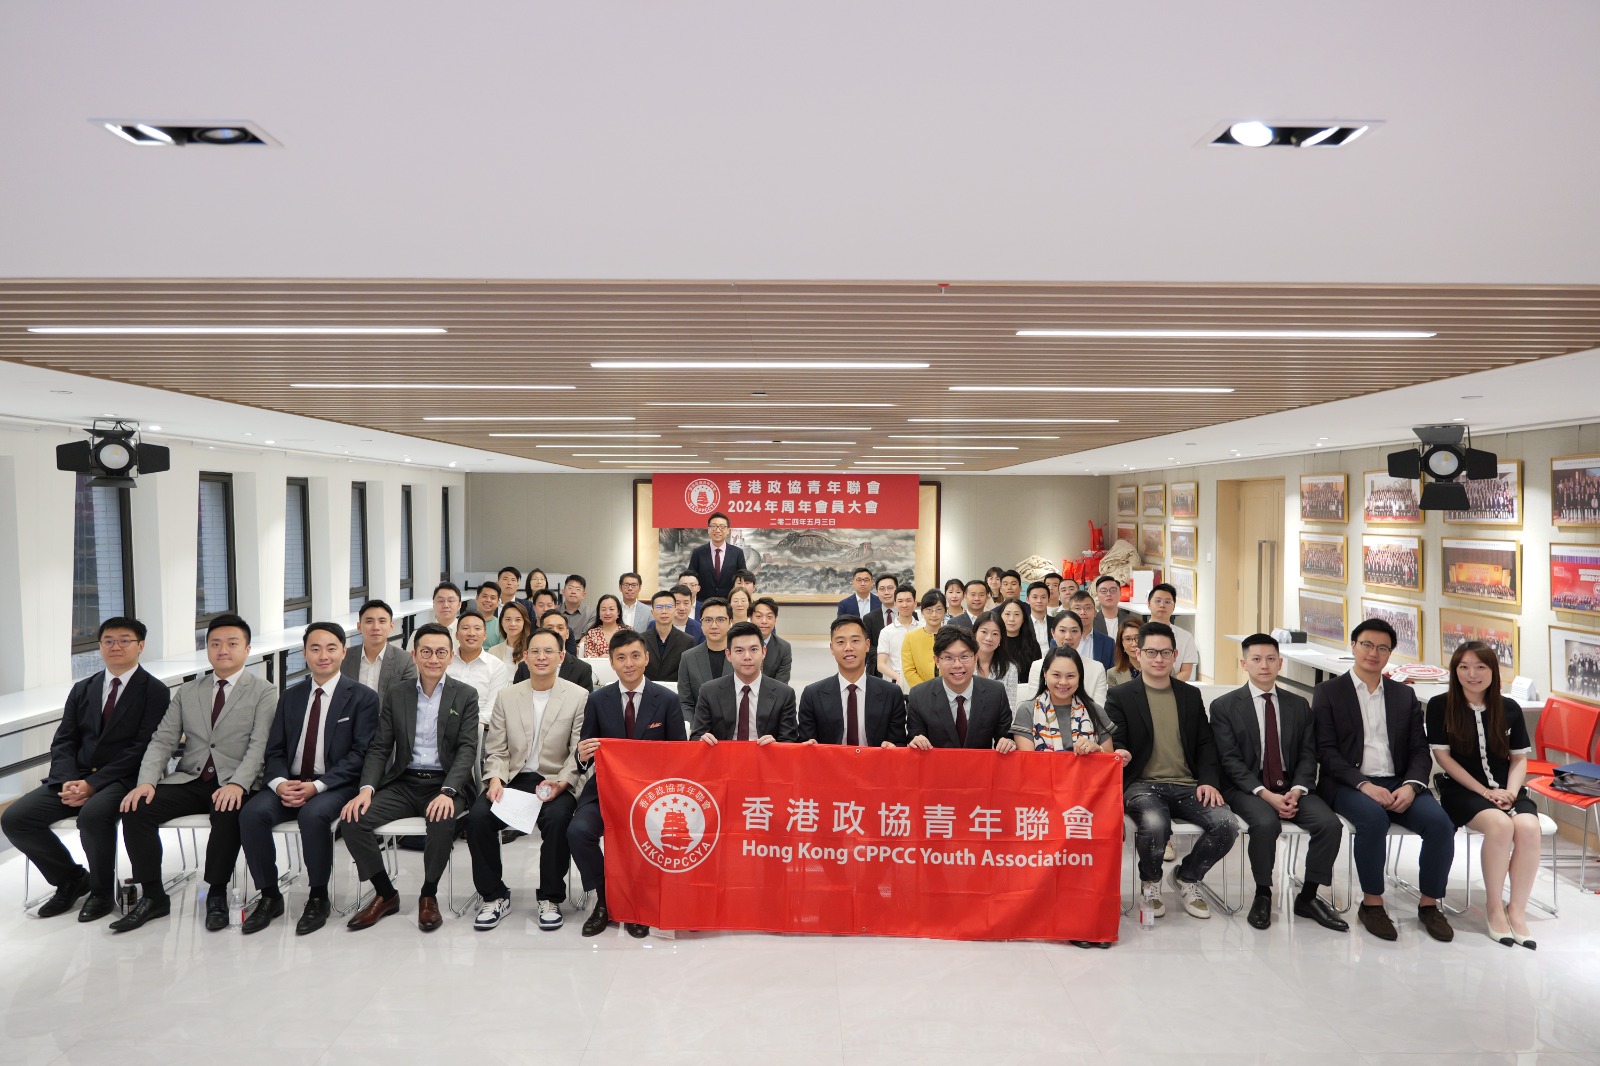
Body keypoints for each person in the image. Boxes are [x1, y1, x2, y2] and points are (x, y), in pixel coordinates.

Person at [111, 614, 277, 932]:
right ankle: (154, 896)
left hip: (236, 780)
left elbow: (260, 746)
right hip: (192, 778)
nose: (223, 650)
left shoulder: (264, 691)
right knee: (136, 808)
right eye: (215, 644)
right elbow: (163, 740)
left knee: (228, 810)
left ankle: (215, 893)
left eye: (232, 643)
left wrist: (238, 784)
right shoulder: (188, 692)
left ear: (247, 649)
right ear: (207, 649)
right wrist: (146, 782)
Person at [3, 617, 169, 921]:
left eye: (124, 640)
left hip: (123, 779)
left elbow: (143, 747)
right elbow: (64, 740)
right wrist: (68, 780)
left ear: (140, 646)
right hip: (76, 777)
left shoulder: (154, 691)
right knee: (16, 819)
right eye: (108, 641)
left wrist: (93, 784)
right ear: (100, 646)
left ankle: (101, 892)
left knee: (93, 816)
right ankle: (71, 879)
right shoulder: (84, 688)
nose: (115, 646)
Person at [1314, 618, 1456, 943]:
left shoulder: (1403, 695)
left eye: (1382, 648)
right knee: (1374, 819)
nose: (1373, 653)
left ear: (1390, 653)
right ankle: (1372, 904)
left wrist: (1412, 785)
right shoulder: (1328, 692)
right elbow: (1326, 751)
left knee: (1440, 824)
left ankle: (1430, 905)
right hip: (1349, 783)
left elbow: (1419, 750)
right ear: (1353, 646)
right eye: (1366, 645)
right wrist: (1364, 785)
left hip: (1398, 782)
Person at [238, 622, 381, 935]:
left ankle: (318, 896)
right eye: (315, 649)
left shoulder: (363, 698)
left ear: (344, 652)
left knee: (313, 816)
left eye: (331, 648)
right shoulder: (291, 696)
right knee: (251, 814)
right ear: (304, 653)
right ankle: (270, 896)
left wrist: (316, 787)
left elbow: (361, 754)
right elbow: (275, 750)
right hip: (290, 782)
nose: (323, 655)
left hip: (334, 784)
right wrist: (279, 784)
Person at [340, 623, 479, 933]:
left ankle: (428, 895)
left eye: (441, 652)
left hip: (444, 783)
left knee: (441, 819)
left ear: (451, 656)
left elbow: (467, 749)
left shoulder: (465, 695)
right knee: (353, 819)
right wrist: (366, 789)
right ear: (414, 655)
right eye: (426, 652)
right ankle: (385, 893)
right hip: (404, 781)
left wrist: (448, 791)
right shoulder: (398, 694)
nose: (433, 659)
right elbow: (380, 747)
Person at [1210, 634, 1348, 933]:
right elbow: (1230, 760)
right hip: (1248, 787)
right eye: (1257, 659)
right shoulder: (1224, 707)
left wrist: (1297, 790)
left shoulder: (1298, 705)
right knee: (1265, 823)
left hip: (1291, 785)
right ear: (1244, 664)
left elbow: (1309, 754)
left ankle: (1308, 897)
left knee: (1329, 825)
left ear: (1280, 663)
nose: (1264, 665)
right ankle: (1263, 893)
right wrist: (1266, 795)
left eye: (1271, 659)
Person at [1105, 622, 1238, 921]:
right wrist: (1120, 753)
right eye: (1151, 652)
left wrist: (1208, 781)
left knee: (1227, 824)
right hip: (1142, 784)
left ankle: (1186, 877)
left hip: (1188, 784)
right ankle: (1150, 883)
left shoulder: (1189, 695)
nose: (1159, 659)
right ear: (1138, 653)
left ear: (1176, 655)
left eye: (1166, 652)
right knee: (1154, 824)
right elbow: (1117, 740)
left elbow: (1205, 742)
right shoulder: (1121, 696)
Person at [569, 629, 686, 937]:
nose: (629, 663)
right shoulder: (598, 700)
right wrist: (582, 755)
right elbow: (585, 754)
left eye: (635, 656)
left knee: (644, 834)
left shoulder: (668, 700)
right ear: (611, 663)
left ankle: (636, 902)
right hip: (606, 790)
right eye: (621, 658)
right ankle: (606, 899)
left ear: (646, 658)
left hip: (652, 795)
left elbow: (680, 756)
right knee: (578, 832)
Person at [470, 627, 587, 932]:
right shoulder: (507, 696)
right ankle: (494, 895)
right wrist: (495, 779)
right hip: (513, 778)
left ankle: (550, 897)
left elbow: (577, 751)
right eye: (535, 651)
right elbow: (496, 749)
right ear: (525, 656)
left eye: (549, 651)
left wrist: (563, 783)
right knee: (478, 818)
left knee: (558, 820)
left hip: (554, 779)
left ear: (561, 656)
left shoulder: (578, 696)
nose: (541, 657)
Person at [1427, 641, 1540, 948]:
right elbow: (1443, 758)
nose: (1472, 674)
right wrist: (1486, 792)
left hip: (1507, 789)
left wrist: (1511, 793)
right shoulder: (1440, 705)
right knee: (1500, 825)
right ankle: (1494, 909)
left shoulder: (1510, 708)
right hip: (1462, 790)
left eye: (1480, 667)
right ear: (1455, 671)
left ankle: (1517, 911)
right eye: (1464, 667)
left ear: (1493, 671)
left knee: (1529, 828)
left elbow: (1519, 759)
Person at [797, 616, 909, 747]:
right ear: (832, 648)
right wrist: (808, 745)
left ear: (867, 645)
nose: (848, 647)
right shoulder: (813, 695)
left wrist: (893, 747)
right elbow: (805, 741)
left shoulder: (891, 693)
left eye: (855, 640)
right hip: (830, 760)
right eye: (840, 642)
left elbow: (899, 742)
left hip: (876, 760)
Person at [907, 628, 1017, 752]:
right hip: (937, 764)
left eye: (964, 657)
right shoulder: (919, 696)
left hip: (979, 764)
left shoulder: (995, 693)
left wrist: (1008, 743)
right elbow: (913, 738)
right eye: (948, 657)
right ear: (937, 661)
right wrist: (916, 742)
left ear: (975, 658)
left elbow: (1005, 736)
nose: (957, 665)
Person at [692, 621, 798, 743]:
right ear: (728, 655)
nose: (747, 656)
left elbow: (790, 741)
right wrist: (701, 740)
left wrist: (776, 746)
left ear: (763, 652)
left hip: (765, 754)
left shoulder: (784, 694)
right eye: (739, 651)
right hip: (724, 755)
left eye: (753, 649)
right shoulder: (709, 691)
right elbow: (696, 737)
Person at [1012, 646, 1114, 756]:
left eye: (1070, 676)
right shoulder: (1027, 711)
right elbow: (1028, 760)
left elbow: (1110, 758)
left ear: (1079, 677)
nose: (1063, 682)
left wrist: (1097, 749)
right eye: (1056, 675)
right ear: (1045, 674)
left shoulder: (1095, 711)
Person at [446, 610, 510, 724]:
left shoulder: (497, 667)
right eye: (465, 628)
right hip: (443, 726)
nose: (471, 633)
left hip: (481, 728)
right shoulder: (445, 663)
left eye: (477, 628)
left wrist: (467, 726)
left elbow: (493, 708)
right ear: (456, 635)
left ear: (485, 635)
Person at [343, 599, 419, 694]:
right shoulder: (344, 658)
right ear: (359, 627)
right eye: (369, 621)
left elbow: (407, 697)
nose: (376, 627)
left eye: (382, 621)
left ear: (391, 626)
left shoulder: (405, 660)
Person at [677, 597, 731, 727]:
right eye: (708, 620)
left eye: (720, 619)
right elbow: (685, 702)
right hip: (700, 729)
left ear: (730, 622)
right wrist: (693, 729)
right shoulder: (688, 658)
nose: (714, 625)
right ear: (701, 623)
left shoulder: (743, 656)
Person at [1045, 611, 1108, 705]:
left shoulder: (1097, 668)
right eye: (1062, 630)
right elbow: (1036, 705)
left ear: (1081, 634)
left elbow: (1099, 708)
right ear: (1053, 633)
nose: (1068, 637)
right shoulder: (1038, 666)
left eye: (1074, 631)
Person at [528, 611, 595, 692]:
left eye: (560, 628)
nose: (555, 632)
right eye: (549, 628)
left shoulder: (582, 669)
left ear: (567, 633)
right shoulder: (525, 666)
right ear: (540, 632)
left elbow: (584, 699)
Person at [687, 512, 746, 604]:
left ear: (728, 530)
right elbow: (691, 577)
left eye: (722, 527)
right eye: (714, 526)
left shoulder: (737, 553)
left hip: (728, 603)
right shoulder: (698, 552)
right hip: (703, 602)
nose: (718, 530)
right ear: (708, 530)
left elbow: (742, 578)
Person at [1147, 584, 1197, 682]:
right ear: (1148, 604)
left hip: (1173, 687)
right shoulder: (1137, 634)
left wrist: (1165, 685)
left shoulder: (1186, 637)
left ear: (1174, 607)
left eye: (1167, 602)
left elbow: (1186, 672)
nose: (1162, 605)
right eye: (1158, 601)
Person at [643, 589, 696, 682]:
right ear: (652, 612)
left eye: (669, 607)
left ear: (675, 611)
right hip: (647, 688)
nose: (664, 611)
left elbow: (690, 673)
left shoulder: (688, 641)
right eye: (659, 607)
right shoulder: (641, 639)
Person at [876, 585, 918, 692]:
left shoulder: (923, 627)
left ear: (915, 603)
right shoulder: (886, 632)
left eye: (908, 600)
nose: (904, 605)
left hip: (921, 680)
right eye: (900, 601)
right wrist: (899, 678)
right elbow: (880, 664)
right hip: (897, 681)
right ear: (895, 604)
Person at [973, 612, 1019, 708]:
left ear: (1001, 638)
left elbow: (1010, 709)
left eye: (995, 634)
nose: (989, 638)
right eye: (984, 632)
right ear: (975, 633)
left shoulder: (1010, 669)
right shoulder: (963, 664)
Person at [860, 571, 901, 678]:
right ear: (877, 592)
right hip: (877, 670)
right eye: (882, 589)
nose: (886, 592)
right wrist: (884, 657)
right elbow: (867, 645)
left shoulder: (910, 615)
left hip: (904, 666)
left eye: (890, 588)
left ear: (897, 590)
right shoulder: (869, 618)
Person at [902, 590, 945, 689]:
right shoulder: (910, 637)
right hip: (921, 691)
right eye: (929, 610)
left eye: (939, 609)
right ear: (922, 612)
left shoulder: (953, 636)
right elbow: (909, 670)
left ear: (945, 611)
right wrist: (925, 690)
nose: (934, 615)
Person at [1069, 591, 1116, 671]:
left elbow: (1111, 673)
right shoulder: (1059, 641)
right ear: (1069, 612)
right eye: (1077, 608)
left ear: (1095, 612)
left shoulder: (1108, 643)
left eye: (1088, 608)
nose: (1083, 612)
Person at [996, 598, 1040, 683]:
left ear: (1023, 618)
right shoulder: (993, 643)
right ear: (1000, 616)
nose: (1011, 619)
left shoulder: (1032, 645)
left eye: (1016, 614)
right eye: (1007, 614)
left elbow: (1037, 676)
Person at [751, 596, 793, 684]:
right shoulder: (739, 643)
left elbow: (781, 684)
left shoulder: (784, 648)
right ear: (751, 618)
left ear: (775, 620)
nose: (764, 621)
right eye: (758, 616)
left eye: (769, 617)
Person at [488, 600, 533, 669]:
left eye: (518, 620)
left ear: (524, 622)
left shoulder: (532, 650)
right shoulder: (493, 652)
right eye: (508, 619)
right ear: (501, 622)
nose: (512, 624)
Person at [581, 593, 625, 658]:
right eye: (603, 609)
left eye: (611, 609)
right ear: (598, 613)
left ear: (618, 612)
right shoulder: (592, 634)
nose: (607, 613)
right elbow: (588, 657)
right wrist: (600, 659)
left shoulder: (627, 632)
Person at [559, 575, 595, 650]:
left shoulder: (591, 614)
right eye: (570, 588)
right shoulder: (555, 612)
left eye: (578, 589)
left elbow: (588, 636)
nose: (573, 592)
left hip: (581, 651)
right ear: (563, 592)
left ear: (583, 595)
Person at [1107, 617, 1143, 688]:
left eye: (1138, 637)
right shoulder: (1112, 674)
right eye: (1128, 639)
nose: (1134, 644)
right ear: (1121, 644)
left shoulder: (1162, 668)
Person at [1025, 581, 1054, 652]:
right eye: (1035, 597)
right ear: (1027, 600)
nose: (1039, 601)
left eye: (1043, 597)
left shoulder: (1056, 622)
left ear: (1048, 600)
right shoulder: (1023, 624)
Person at [474, 583, 504, 648]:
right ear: (476, 598)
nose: (488, 600)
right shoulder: (463, 622)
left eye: (492, 598)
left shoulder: (501, 626)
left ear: (498, 602)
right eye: (484, 596)